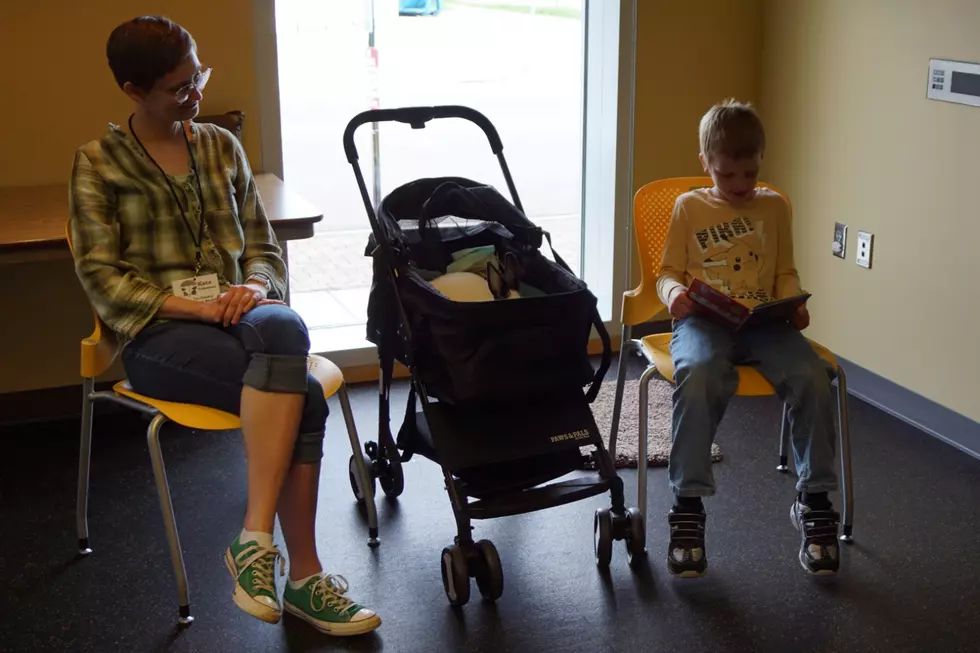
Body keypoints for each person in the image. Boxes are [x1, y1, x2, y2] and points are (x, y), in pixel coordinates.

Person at [68, 16, 381, 636]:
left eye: (197, 77)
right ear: (134, 90)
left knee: (285, 327)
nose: (195, 96)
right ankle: (305, 579)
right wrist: (200, 307)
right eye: (178, 89)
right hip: (160, 333)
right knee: (302, 394)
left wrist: (254, 286)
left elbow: (264, 248)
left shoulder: (219, 145)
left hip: (243, 318)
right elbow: (103, 279)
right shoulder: (98, 164)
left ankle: (254, 538)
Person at [657, 99, 840, 577]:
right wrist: (674, 292)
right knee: (697, 374)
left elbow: (784, 271)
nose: (739, 186)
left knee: (814, 377)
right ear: (706, 165)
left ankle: (814, 499)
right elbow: (667, 273)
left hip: (764, 322)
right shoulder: (688, 207)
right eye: (725, 176)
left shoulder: (774, 206)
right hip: (704, 321)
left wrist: (793, 302)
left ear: (761, 159)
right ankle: (688, 506)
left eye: (749, 173)